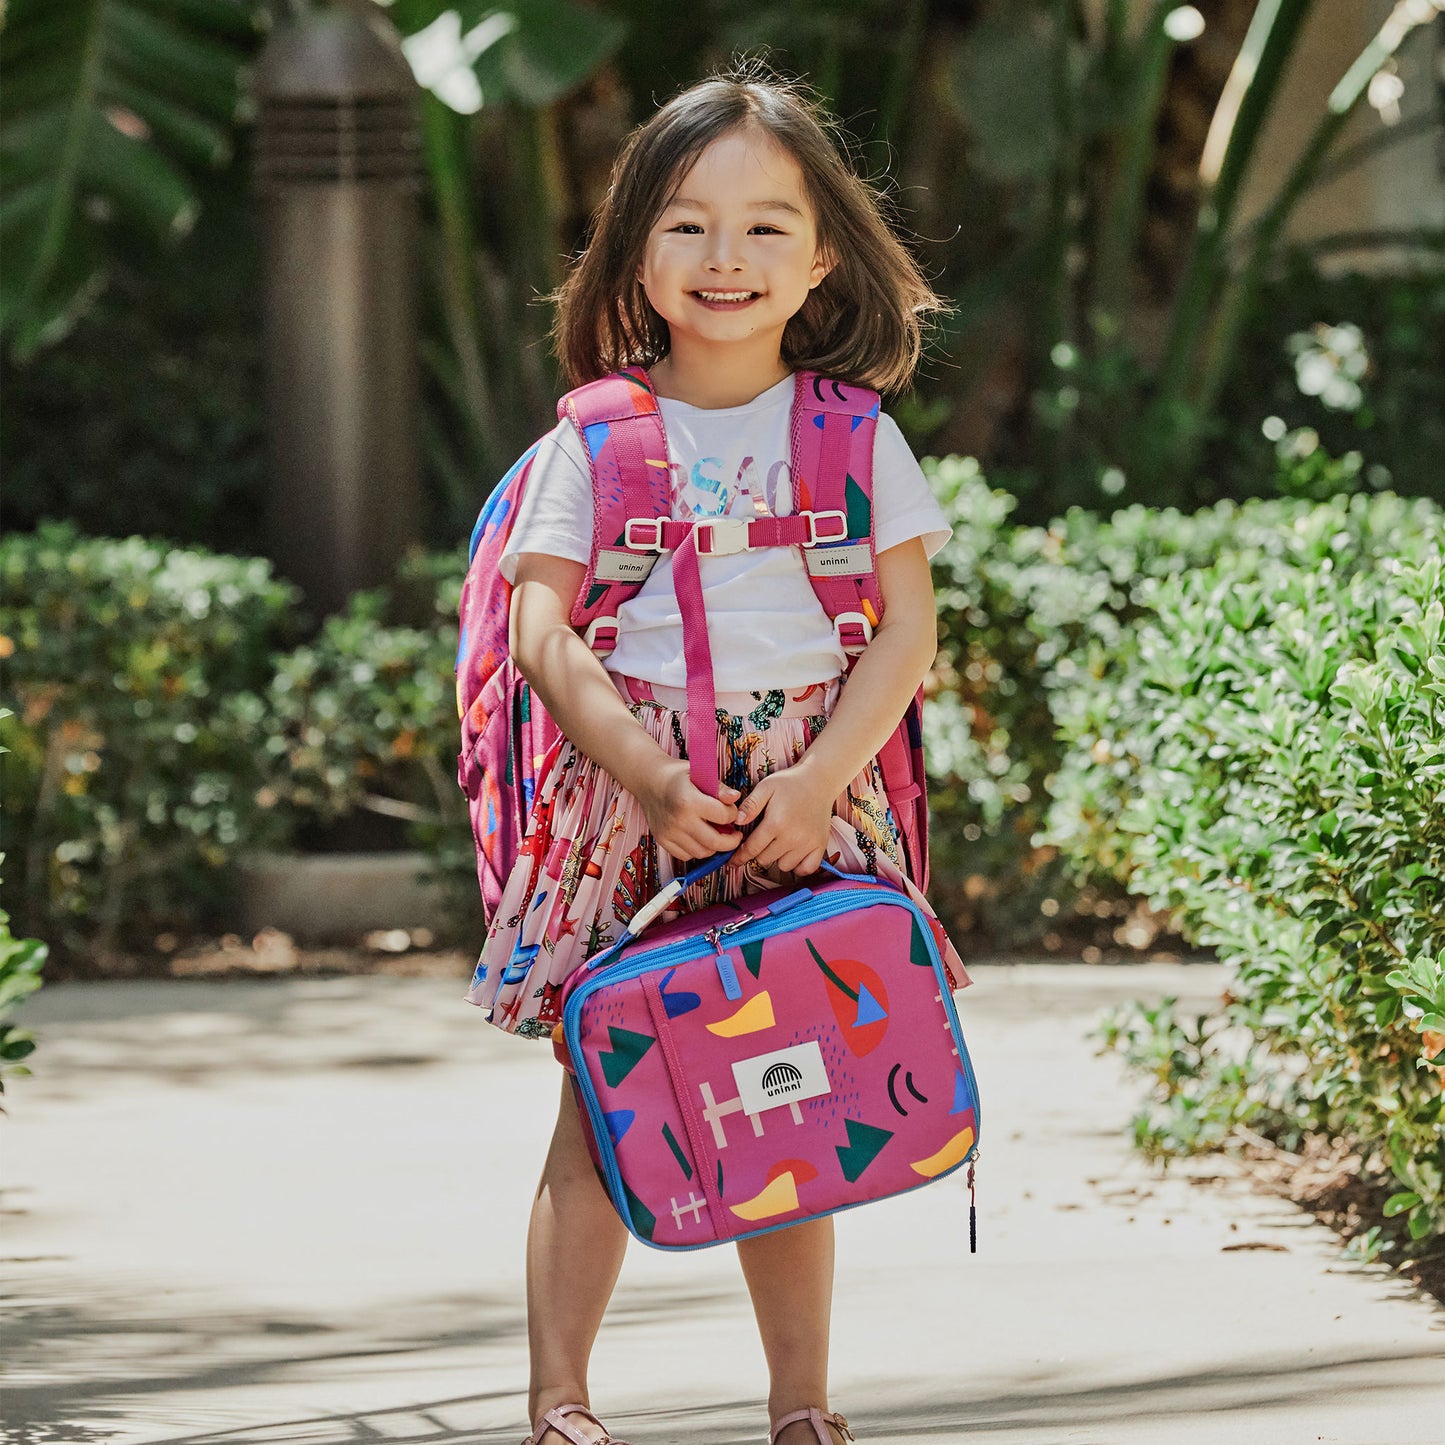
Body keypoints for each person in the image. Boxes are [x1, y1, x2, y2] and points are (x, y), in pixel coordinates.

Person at [465, 61, 970, 1445]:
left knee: (794, 1098)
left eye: (764, 226)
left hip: (811, 780)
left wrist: (811, 786)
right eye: (685, 223)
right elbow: (546, 631)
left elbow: (904, 630)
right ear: (633, 252)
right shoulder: (596, 439)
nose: (724, 256)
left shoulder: (853, 437)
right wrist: (644, 775)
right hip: (637, 797)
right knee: (609, 1085)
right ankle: (558, 1399)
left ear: (820, 260)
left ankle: (800, 1403)